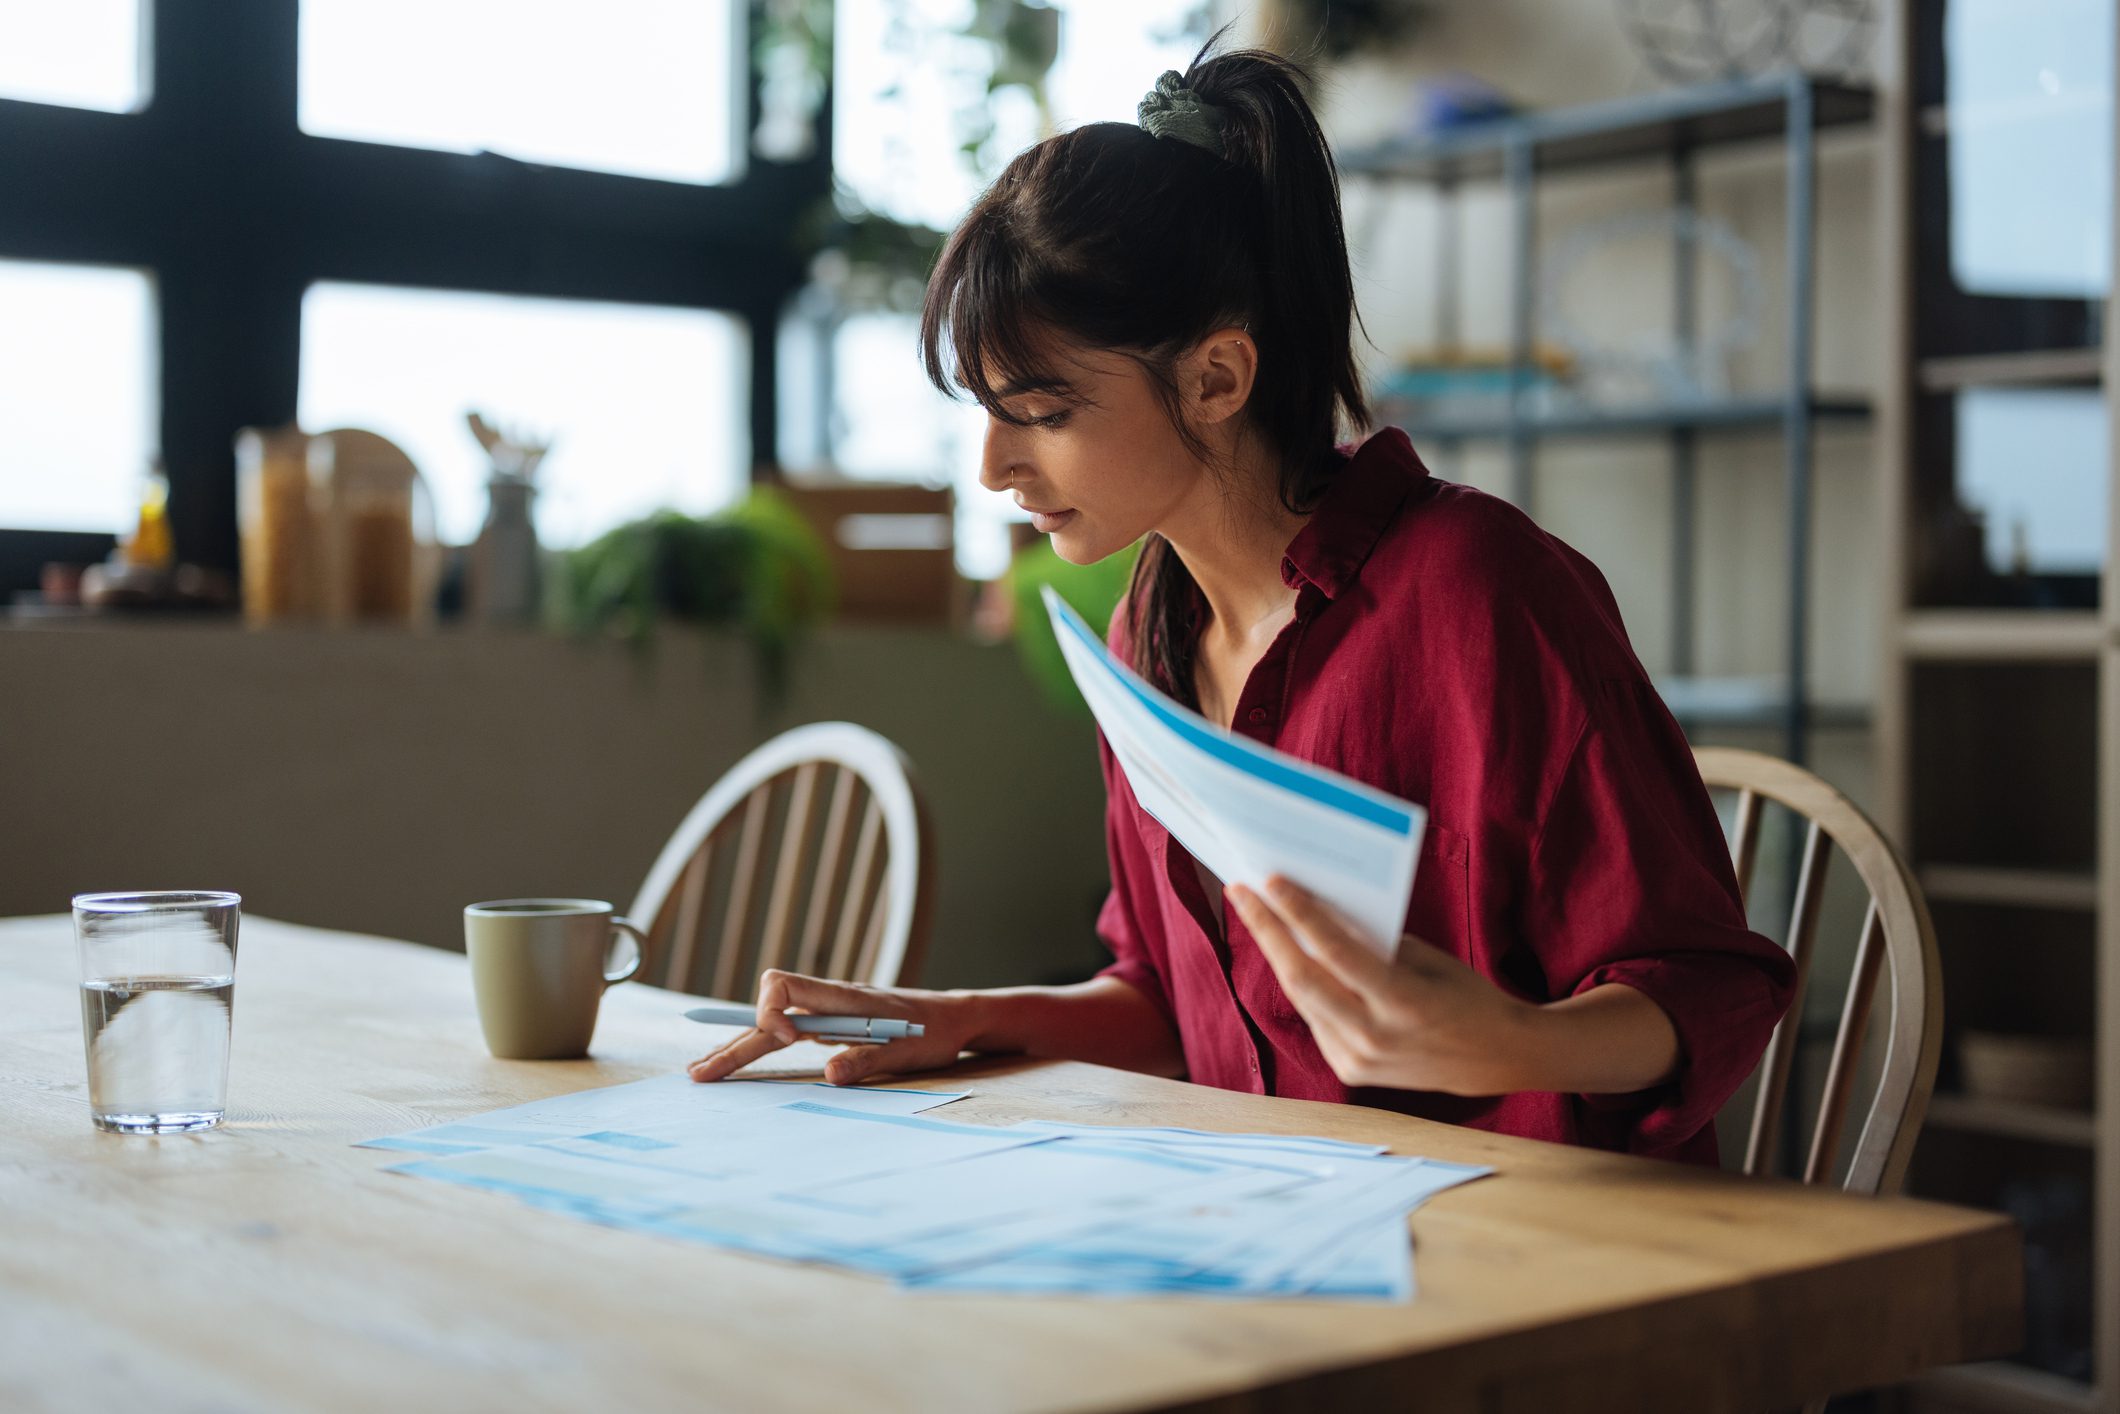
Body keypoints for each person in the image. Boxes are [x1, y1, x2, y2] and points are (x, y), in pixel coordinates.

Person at [691, 34, 1796, 1166]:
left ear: (1216, 377)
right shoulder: (1150, 633)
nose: (992, 468)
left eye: (1042, 411)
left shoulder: (1479, 592)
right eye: (983, 408)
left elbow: (1709, 984)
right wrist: (964, 1016)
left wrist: (1510, 1040)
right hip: (1279, 1214)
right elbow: (1173, 1004)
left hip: (1534, 1248)